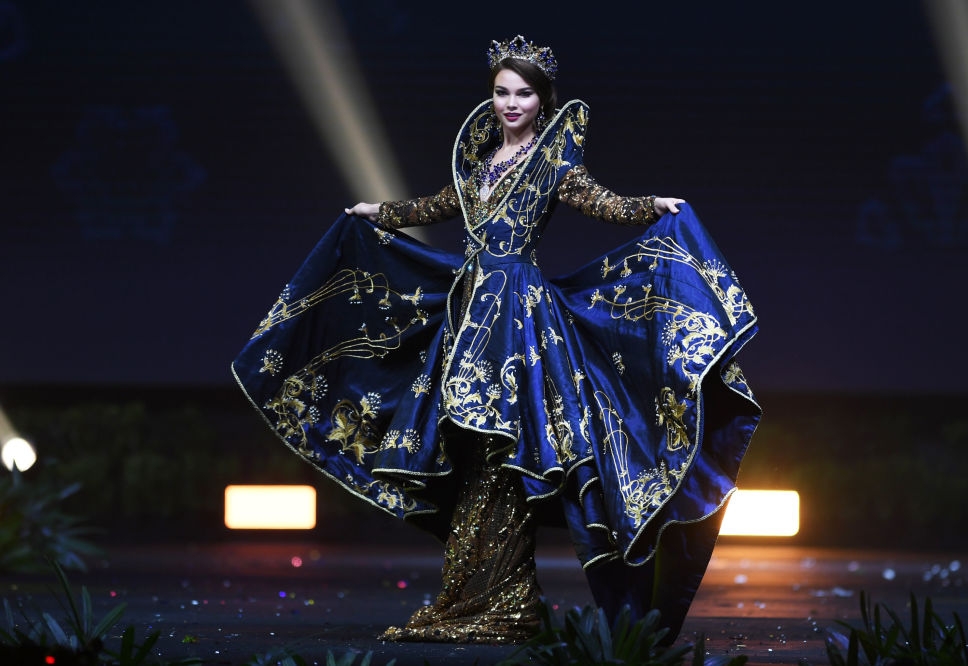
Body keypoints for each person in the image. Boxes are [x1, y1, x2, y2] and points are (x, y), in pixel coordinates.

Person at [232, 35, 760, 646]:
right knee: (473, 453)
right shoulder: (481, 163)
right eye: (502, 92)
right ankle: (482, 596)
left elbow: (602, 202)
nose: (511, 103)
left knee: (507, 450)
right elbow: (438, 204)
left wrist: (651, 206)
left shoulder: (551, 163)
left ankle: (505, 601)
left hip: (518, 316)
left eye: (524, 94)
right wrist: (381, 213)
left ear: (542, 101)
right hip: (469, 311)